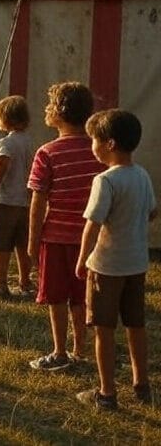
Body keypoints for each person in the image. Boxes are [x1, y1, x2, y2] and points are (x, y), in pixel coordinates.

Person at [75, 110, 157, 410]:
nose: (91, 146)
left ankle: (106, 393)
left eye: (93, 140)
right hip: (137, 263)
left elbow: (93, 223)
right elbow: (151, 212)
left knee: (104, 329)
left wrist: (83, 258)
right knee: (136, 325)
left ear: (108, 143)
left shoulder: (105, 180)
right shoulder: (142, 174)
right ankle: (141, 384)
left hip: (107, 266)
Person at [27, 82, 104, 371]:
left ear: (58, 112)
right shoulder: (98, 151)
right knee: (81, 295)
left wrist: (33, 241)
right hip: (91, 239)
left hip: (56, 237)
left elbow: (38, 202)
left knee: (56, 296)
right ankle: (80, 350)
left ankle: (60, 352)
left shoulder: (47, 153)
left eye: (50, 105)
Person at [0, 95, 35, 300]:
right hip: (25, 203)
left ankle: (1, 284)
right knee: (23, 245)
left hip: (5, 202)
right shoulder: (30, 142)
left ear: (4, 119)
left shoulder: (5, 143)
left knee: (2, 245)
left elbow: (0, 172)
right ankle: (25, 282)